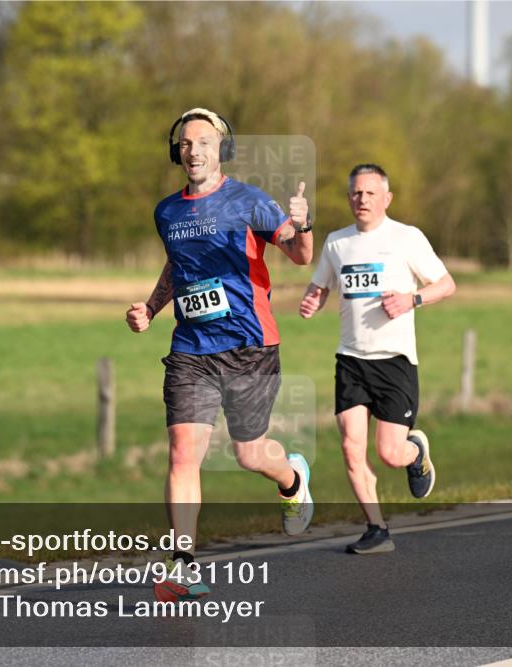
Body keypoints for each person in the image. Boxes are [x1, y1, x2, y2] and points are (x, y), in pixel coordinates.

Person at [126, 108, 315, 601]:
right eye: (186, 144)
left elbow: (299, 255)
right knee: (183, 452)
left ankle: (293, 478)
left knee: (250, 453)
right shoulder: (167, 212)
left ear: (221, 149)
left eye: (204, 142)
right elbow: (177, 265)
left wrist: (305, 224)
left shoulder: (249, 200)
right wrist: (150, 307)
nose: (194, 151)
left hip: (250, 346)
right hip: (191, 350)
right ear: (176, 152)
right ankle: (183, 561)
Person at [299, 163, 455, 555]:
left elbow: (447, 284)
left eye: (370, 192)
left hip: (394, 362)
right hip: (350, 359)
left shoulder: (406, 238)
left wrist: (412, 299)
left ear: (386, 198)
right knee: (352, 447)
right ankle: (376, 528)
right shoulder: (337, 243)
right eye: (355, 192)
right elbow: (320, 285)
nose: (361, 199)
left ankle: (415, 452)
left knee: (389, 454)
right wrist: (312, 300)